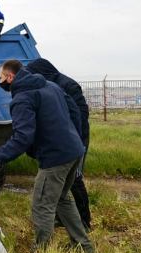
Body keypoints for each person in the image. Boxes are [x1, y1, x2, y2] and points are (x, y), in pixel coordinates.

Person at [0, 60, 95, 253]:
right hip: (74, 152)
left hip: (55, 158)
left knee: (42, 206)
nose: (0, 81)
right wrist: (74, 138)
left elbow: (22, 137)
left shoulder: (22, 98)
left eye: (0, 78)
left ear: (10, 77)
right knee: (62, 198)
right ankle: (84, 248)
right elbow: (74, 110)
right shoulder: (50, 85)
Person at [27, 58, 92, 230]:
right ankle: (62, 218)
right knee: (59, 183)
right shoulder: (48, 84)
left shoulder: (68, 85)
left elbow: (81, 114)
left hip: (76, 139)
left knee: (75, 179)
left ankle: (85, 221)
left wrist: (74, 140)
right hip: (62, 140)